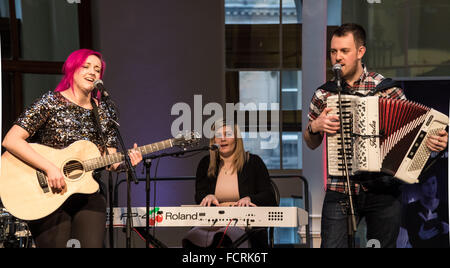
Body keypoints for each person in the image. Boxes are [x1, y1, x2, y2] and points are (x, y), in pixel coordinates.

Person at [303, 23, 448, 248]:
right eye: (333, 51)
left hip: (384, 191)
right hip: (341, 189)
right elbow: (311, 143)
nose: (337, 58)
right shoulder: (324, 94)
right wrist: (315, 127)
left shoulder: (387, 90)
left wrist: (434, 143)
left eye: (344, 51)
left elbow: (414, 134)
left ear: (361, 52)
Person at [1, 49, 143, 248]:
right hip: (48, 191)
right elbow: (11, 140)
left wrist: (125, 163)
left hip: (88, 192)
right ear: (72, 69)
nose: (92, 72)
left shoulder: (104, 111)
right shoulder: (50, 102)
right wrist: (50, 168)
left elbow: (109, 158)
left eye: (97, 69)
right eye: (86, 67)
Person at [182, 121, 277, 248]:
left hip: (243, 221)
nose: (223, 139)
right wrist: (207, 196)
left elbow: (269, 196)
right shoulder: (205, 163)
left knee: (224, 236)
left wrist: (250, 199)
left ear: (237, 139)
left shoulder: (253, 162)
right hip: (212, 220)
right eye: (218, 135)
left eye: (228, 134)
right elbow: (199, 194)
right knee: (191, 238)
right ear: (213, 140)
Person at [405, 175, 449, 248]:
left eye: (433, 183)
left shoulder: (446, 207)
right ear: (420, 186)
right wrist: (420, 237)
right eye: (426, 184)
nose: (431, 188)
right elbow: (410, 240)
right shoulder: (411, 208)